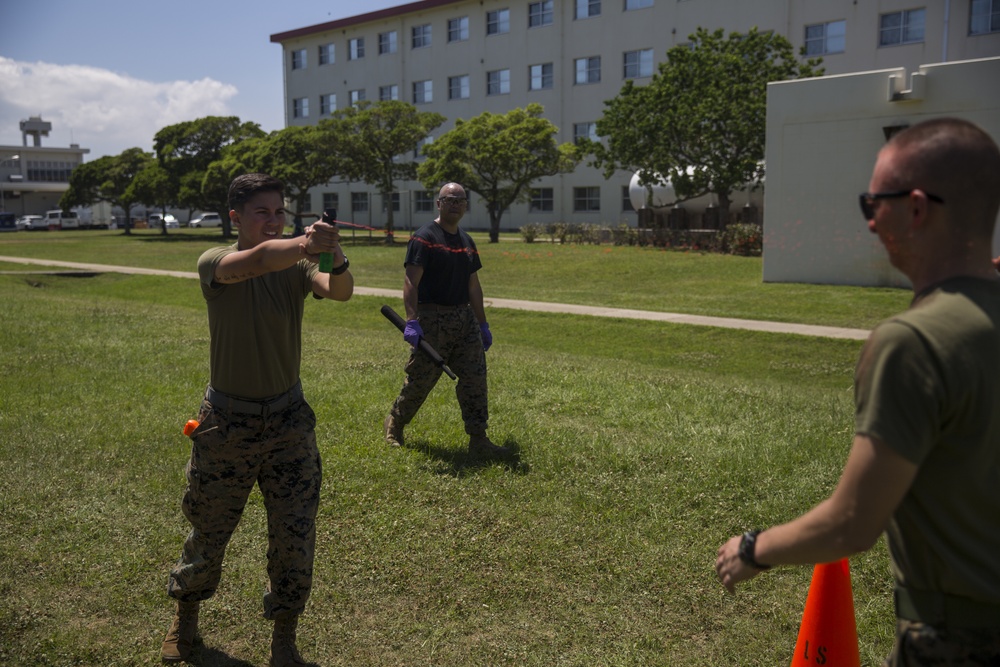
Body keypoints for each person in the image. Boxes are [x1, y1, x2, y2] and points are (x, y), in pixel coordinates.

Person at [715, 118, 1000, 664]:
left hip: (960, 640)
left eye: (874, 204)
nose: (870, 223)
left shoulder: (913, 344)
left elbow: (851, 524)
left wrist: (753, 549)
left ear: (916, 209)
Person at [161, 173, 353, 666]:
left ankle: (284, 638)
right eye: (262, 212)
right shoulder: (216, 263)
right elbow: (264, 259)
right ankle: (184, 626)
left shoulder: (296, 263)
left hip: (289, 421)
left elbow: (339, 290)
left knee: (294, 535)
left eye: (280, 212)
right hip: (227, 423)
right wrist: (304, 242)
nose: (273, 220)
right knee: (209, 529)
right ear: (237, 218)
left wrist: (333, 253)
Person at [383, 182, 510, 457]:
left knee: (475, 379)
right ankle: (395, 423)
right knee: (421, 379)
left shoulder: (466, 241)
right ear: (438, 204)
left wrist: (483, 323)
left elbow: (473, 285)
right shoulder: (425, 237)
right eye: (449, 199)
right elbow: (410, 281)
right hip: (433, 320)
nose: (455, 203)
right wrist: (412, 320)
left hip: (465, 320)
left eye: (460, 199)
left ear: (466, 206)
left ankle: (479, 439)